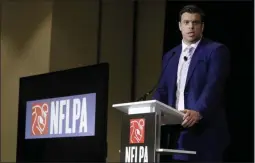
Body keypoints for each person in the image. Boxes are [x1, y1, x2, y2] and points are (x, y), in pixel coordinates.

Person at [152, 5, 230, 162]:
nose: (190, 26)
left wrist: (198, 111)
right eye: (186, 22)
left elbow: (214, 86)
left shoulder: (215, 50)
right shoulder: (170, 56)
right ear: (180, 26)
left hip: (205, 132)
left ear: (202, 26)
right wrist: (150, 111)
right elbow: (162, 89)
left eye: (195, 22)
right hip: (176, 133)